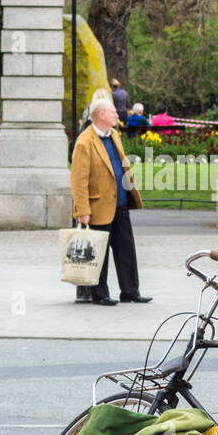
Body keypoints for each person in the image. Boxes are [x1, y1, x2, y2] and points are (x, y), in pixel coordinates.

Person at [69, 99, 150, 306]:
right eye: (113, 112)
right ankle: (99, 294)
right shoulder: (84, 141)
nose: (118, 114)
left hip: (120, 202)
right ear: (101, 115)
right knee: (99, 252)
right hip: (97, 206)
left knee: (126, 249)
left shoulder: (113, 135)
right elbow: (78, 180)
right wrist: (82, 210)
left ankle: (130, 291)